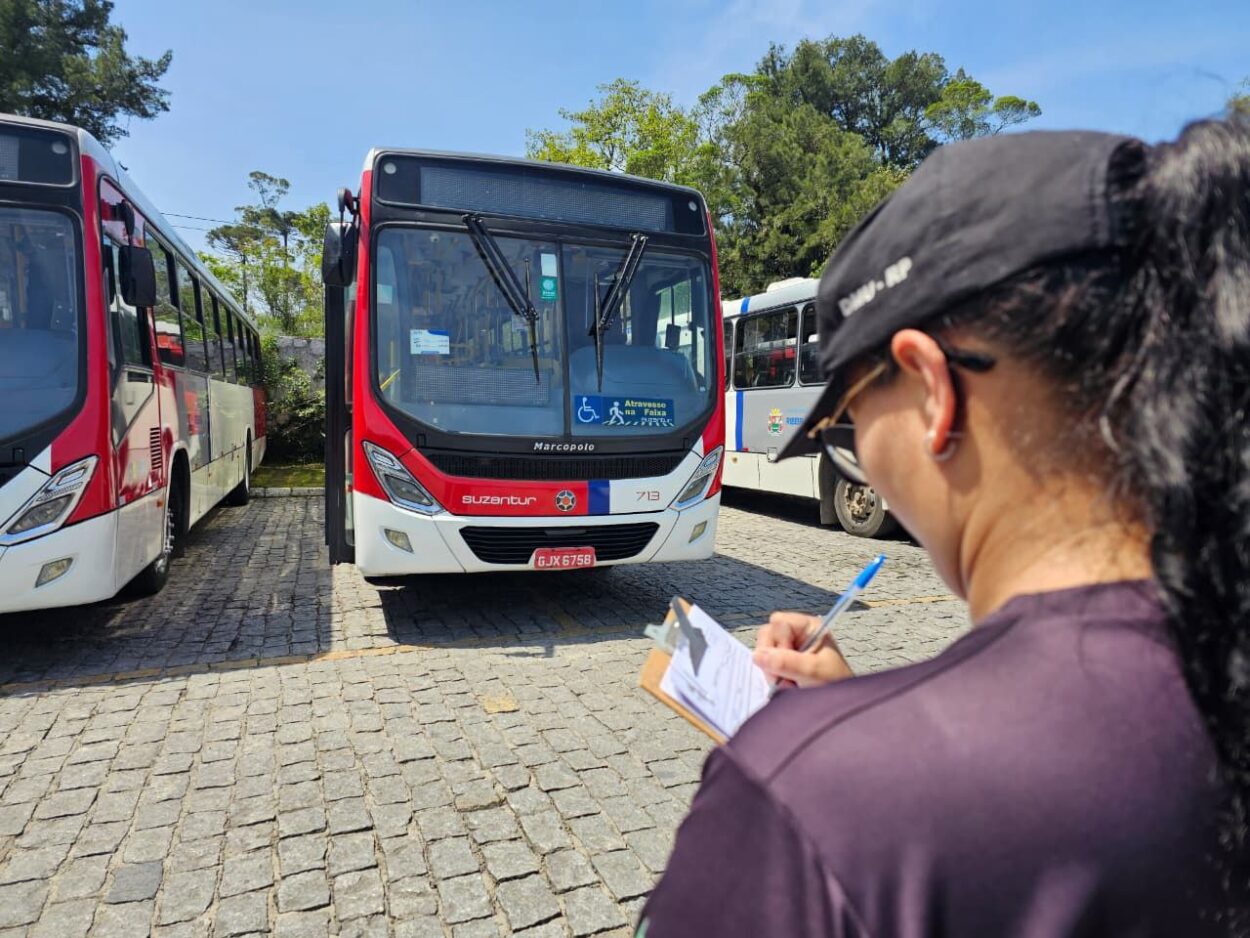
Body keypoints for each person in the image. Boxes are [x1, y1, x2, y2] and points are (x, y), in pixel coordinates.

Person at [638, 117, 1250, 937]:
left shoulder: (805, 801)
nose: (854, 449)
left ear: (933, 392)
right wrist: (860, 710)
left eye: (851, 413)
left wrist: (841, 741)